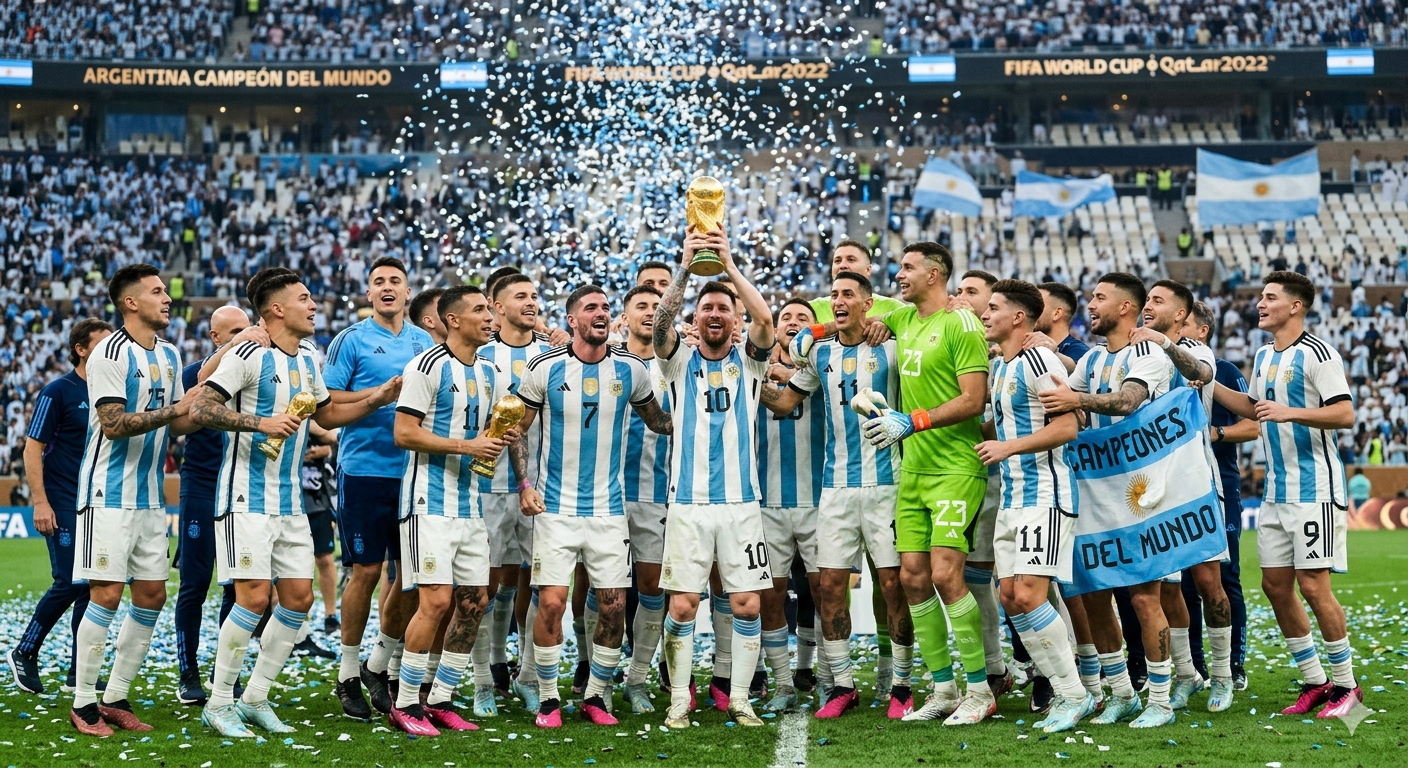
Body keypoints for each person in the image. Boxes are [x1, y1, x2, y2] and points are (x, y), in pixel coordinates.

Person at [191, 267, 402, 737]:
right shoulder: (248, 353)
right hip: (244, 496)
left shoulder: (308, 357)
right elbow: (201, 407)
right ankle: (219, 702)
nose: (313, 306)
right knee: (253, 598)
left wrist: (378, 397)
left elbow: (327, 412)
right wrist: (260, 424)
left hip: (290, 500)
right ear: (276, 309)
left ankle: (255, 697)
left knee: (299, 599)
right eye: (304, 298)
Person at [799, 242, 992, 725]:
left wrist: (913, 420)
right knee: (911, 579)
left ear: (934, 274)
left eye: (907, 268)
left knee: (947, 576)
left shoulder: (960, 322)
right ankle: (943, 689)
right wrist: (814, 330)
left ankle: (980, 687)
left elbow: (974, 400)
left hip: (953, 467)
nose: (898, 274)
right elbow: (848, 323)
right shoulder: (901, 322)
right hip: (914, 473)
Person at [509, 284, 672, 728]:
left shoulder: (632, 370)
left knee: (614, 605)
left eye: (604, 307)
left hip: (609, 511)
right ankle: (547, 698)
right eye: (590, 308)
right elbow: (518, 430)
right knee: (553, 603)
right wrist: (524, 484)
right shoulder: (544, 368)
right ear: (573, 321)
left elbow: (660, 422)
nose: (600, 313)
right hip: (555, 509)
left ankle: (597, 696)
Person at [1212, 271, 1363, 719]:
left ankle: (1348, 687)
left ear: (1295, 306)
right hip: (1277, 492)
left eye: (1270, 297)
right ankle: (1316, 681)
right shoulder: (1262, 355)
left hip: (1316, 490)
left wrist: (1290, 412)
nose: (1261, 303)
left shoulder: (1319, 353)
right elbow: (1253, 408)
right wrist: (1206, 383)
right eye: (1261, 296)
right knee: (1275, 587)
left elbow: (1346, 414)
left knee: (1315, 587)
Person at [1038, 272, 1179, 728]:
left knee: (1142, 597)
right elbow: (1067, 402)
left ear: (1126, 307)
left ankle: (1160, 698)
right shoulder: (1093, 359)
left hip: (1139, 493)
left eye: (1099, 298)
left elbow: (1127, 402)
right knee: (1095, 595)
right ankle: (1121, 693)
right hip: (1092, 489)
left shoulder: (1150, 353)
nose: (1090, 305)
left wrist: (1075, 398)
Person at [769, 273, 909, 719]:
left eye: (849, 294)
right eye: (834, 295)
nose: (839, 300)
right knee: (829, 586)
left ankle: (902, 685)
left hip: (886, 485)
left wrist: (889, 324)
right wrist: (754, 381)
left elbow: (921, 327)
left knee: (892, 585)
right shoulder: (821, 354)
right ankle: (842, 685)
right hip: (835, 489)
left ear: (868, 303)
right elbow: (787, 403)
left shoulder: (892, 347)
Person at [653, 226, 777, 729]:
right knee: (683, 605)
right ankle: (680, 697)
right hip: (688, 502)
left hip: (742, 503)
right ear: (696, 317)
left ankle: (741, 698)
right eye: (707, 308)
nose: (715, 314)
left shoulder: (750, 363)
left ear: (735, 318)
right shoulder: (678, 361)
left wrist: (727, 265)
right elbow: (662, 324)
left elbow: (766, 320)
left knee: (747, 603)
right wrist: (686, 267)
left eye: (724, 308)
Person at [71, 264, 200, 736]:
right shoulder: (110, 352)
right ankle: (83, 703)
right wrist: (176, 410)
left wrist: (208, 406)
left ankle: (115, 696)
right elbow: (113, 423)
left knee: (151, 593)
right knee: (105, 593)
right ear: (130, 303)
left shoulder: (168, 353)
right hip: (106, 492)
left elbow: (181, 423)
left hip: (149, 497)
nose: (167, 297)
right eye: (157, 291)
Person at [388, 284, 511, 736]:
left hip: (470, 505)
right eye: (480, 309)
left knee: (475, 602)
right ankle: (405, 703)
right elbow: (403, 433)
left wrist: (502, 440)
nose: (489, 316)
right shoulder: (427, 366)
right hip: (427, 503)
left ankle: (441, 698)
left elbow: (493, 429)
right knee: (436, 601)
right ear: (453, 320)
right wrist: (467, 444)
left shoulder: (492, 372)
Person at [974, 279, 1092, 733]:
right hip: (1013, 497)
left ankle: (1073, 693)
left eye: (994, 307)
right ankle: (1068, 688)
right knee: (1011, 598)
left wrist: (1008, 447)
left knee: (1030, 596)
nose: (986, 314)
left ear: (1019, 317)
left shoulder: (1037, 357)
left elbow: (1066, 427)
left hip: (1046, 493)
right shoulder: (1002, 366)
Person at [323, 256, 434, 719]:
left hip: (415, 474)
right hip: (365, 471)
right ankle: (347, 675)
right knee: (365, 573)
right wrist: (378, 398)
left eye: (396, 281)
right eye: (378, 282)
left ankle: (378, 664)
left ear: (408, 293)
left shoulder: (424, 342)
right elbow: (324, 408)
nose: (387, 287)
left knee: (411, 578)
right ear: (368, 294)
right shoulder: (351, 340)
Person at [1132, 280, 1237, 713]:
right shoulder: (1139, 353)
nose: (1148, 306)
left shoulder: (1195, 348)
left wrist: (1163, 342)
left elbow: (1200, 374)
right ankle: (1185, 674)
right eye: (1147, 300)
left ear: (1181, 315)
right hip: (1151, 488)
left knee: (1209, 581)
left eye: (1158, 301)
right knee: (1166, 588)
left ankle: (1224, 676)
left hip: (1196, 483)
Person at [8, 319, 113, 696]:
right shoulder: (59, 391)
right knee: (70, 581)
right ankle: (25, 650)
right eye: (100, 344)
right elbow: (31, 447)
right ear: (80, 349)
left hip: (97, 503)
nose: (107, 351)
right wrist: (40, 501)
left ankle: (78, 670)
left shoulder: (111, 392)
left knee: (92, 586)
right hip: (63, 499)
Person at [475, 274, 555, 716]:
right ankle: (484, 680)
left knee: (543, 583)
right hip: (486, 487)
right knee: (483, 587)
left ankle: (528, 676)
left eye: (534, 296)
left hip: (541, 488)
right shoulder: (479, 355)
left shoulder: (553, 355)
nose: (531, 303)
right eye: (520, 297)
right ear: (496, 307)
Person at [173, 305, 257, 704]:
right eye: (235, 331)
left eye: (248, 328)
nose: (246, 335)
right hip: (203, 485)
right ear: (216, 337)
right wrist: (240, 345)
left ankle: (226, 671)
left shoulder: (256, 372)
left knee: (236, 588)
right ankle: (187, 673)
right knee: (194, 583)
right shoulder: (194, 374)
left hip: (240, 487)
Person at [752, 297, 826, 715]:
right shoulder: (752, 368)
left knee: (824, 591)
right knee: (772, 594)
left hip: (818, 501)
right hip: (767, 503)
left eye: (803, 319)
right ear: (775, 329)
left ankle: (826, 678)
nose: (794, 323)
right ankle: (782, 683)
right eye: (786, 318)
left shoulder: (824, 368)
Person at [1182, 301, 1257, 693]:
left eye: (1185, 325)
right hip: (1179, 485)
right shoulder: (1164, 369)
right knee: (1183, 582)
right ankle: (1193, 665)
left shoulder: (1223, 372)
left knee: (1224, 576)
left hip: (1220, 483)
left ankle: (1233, 664)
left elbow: (1252, 425)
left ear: (1203, 331)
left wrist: (1217, 434)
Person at [949, 270, 1016, 700]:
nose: (961, 298)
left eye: (973, 293)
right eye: (959, 290)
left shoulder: (1016, 348)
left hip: (1009, 481)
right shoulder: (956, 338)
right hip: (966, 474)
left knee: (1026, 583)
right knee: (975, 579)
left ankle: (1069, 670)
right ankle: (996, 667)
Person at [615, 284, 675, 715]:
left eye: (658, 306)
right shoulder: (607, 359)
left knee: (653, 588)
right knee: (603, 591)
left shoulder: (677, 363)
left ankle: (637, 678)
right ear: (625, 315)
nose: (651, 312)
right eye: (642, 306)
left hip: (657, 495)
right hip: (606, 497)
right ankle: (590, 671)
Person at [808, 239, 905, 323]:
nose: (842, 265)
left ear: (868, 270)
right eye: (837, 261)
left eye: (851, 260)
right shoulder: (811, 310)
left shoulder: (893, 309)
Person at [1025, 282, 1089, 373]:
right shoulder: (1028, 348)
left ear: (1056, 313)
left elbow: (1080, 373)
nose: (1030, 312)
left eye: (1037, 306)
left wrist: (1054, 353)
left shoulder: (1079, 351)